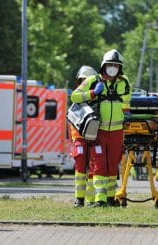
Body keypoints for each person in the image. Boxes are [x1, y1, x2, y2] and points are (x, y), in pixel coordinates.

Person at [71, 49, 131, 207]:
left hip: (117, 131)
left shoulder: (124, 82)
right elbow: (74, 96)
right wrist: (92, 93)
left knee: (112, 164)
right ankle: (99, 199)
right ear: (104, 65)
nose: (113, 67)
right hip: (99, 130)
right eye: (110, 64)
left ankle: (111, 198)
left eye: (116, 65)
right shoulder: (92, 80)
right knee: (99, 164)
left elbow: (126, 103)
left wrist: (126, 115)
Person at [71, 65, 98, 207]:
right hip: (80, 138)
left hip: (93, 138)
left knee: (93, 169)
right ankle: (79, 199)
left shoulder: (97, 101)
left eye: (86, 81)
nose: (83, 84)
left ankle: (92, 200)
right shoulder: (77, 98)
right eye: (82, 81)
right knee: (80, 168)